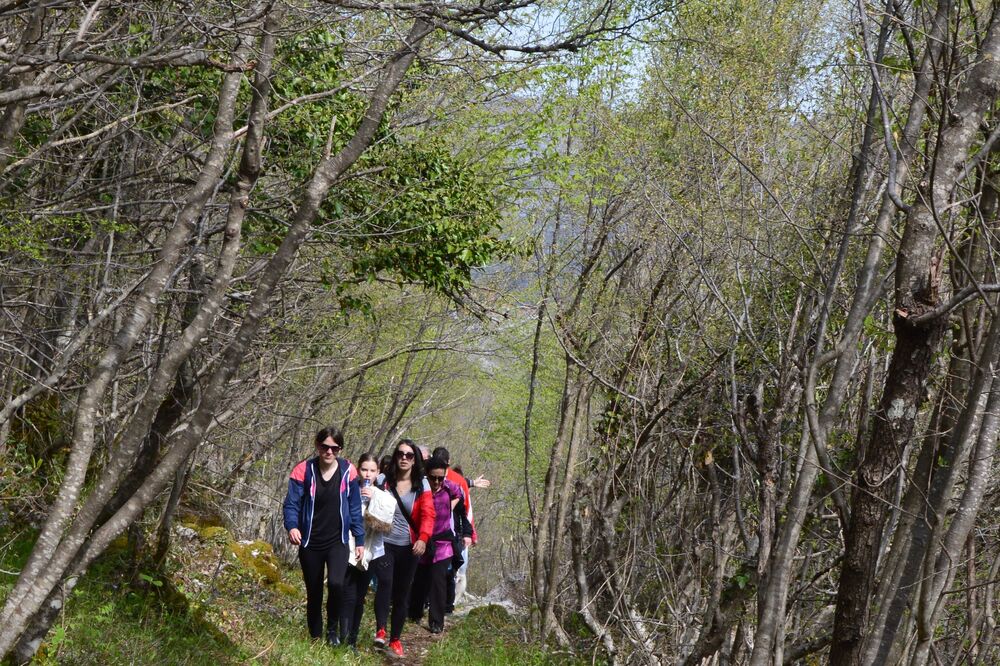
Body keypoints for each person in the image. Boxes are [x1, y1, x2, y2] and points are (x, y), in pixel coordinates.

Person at [282, 426, 365, 645]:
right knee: (314, 590)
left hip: (338, 540)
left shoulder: (349, 471)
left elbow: (355, 507)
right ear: (317, 446)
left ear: (340, 449)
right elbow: (292, 504)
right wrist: (292, 526)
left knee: (337, 584)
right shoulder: (303, 470)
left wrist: (360, 539)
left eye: (334, 448)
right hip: (310, 541)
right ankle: (315, 635)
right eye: (325, 447)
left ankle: (332, 631)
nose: (329, 452)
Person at [371, 439, 435, 657]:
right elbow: (364, 490)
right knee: (385, 583)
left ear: (415, 459)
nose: (404, 458)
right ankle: (380, 629)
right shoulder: (383, 480)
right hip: (384, 542)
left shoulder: (422, 484)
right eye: (400, 454)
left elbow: (428, 514)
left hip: (409, 546)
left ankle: (395, 640)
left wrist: (424, 538)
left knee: (402, 594)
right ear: (395, 455)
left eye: (409, 455)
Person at [408, 456, 472, 633]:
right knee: (420, 579)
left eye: (440, 478)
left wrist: (450, 506)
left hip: (443, 543)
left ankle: (436, 621)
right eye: (433, 477)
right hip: (422, 541)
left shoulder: (450, 487)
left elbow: (461, 493)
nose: (436, 481)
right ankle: (414, 612)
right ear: (427, 475)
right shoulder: (419, 488)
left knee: (438, 581)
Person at [340, 453, 384, 649]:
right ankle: (342, 637)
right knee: (347, 594)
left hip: (371, 551)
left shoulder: (383, 495)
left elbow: (386, 524)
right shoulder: (350, 490)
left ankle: (352, 640)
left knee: (359, 597)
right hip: (348, 548)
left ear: (378, 472)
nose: (368, 474)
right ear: (358, 470)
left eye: (372, 470)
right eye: (364, 469)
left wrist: (375, 500)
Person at [432, 446, 475, 612]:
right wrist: (469, 533)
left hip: (450, 533)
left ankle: (446, 605)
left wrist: (468, 533)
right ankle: (444, 605)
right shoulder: (425, 478)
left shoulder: (456, 481)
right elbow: (467, 510)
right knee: (447, 572)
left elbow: (465, 509)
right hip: (443, 533)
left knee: (449, 571)